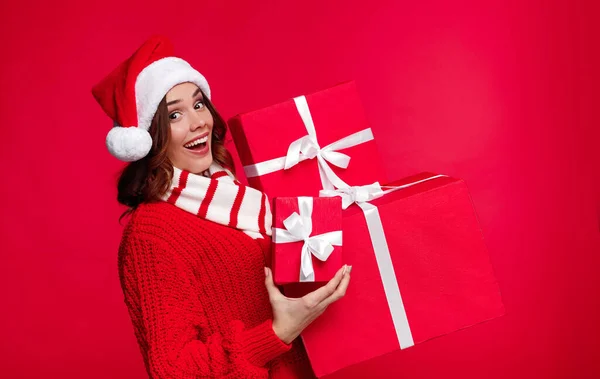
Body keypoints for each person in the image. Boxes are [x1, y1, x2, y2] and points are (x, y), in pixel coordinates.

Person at [92, 35, 351, 379]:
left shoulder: (233, 195)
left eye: (199, 105)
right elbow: (174, 370)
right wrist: (277, 333)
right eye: (174, 115)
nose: (198, 121)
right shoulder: (152, 234)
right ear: (148, 136)